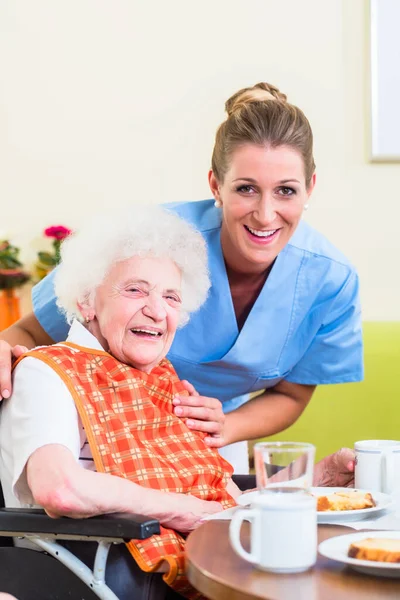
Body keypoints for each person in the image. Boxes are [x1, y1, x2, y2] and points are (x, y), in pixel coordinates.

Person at [0, 81, 362, 477]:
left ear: (310, 187)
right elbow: (30, 335)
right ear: (215, 186)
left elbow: (291, 395)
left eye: (286, 191)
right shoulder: (150, 241)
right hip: (106, 434)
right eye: (246, 189)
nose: (265, 213)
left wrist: (226, 425)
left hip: (212, 438)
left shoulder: (331, 281)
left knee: (231, 523)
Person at [0, 207, 239, 600]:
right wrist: (180, 509)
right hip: (95, 564)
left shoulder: (159, 380)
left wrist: (319, 481)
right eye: (135, 290)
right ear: (87, 302)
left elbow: (219, 491)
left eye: (171, 296)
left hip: (189, 556)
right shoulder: (45, 372)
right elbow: (59, 488)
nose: (157, 310)